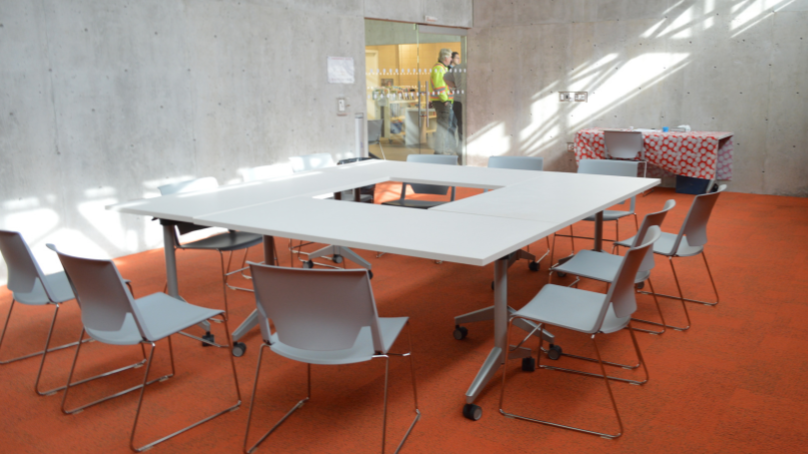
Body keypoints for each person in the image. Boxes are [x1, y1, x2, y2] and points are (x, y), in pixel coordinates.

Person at [429, 48, 455, 155]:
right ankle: (439, 152)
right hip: (441, 102)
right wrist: (445, 100)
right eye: (450, 57)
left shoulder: (442, 67)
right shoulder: (439, 68)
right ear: (445, 58)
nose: (451, 59)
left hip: (441, 101)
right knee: (442, 127)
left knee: (443, 126)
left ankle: (440, 150)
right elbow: (439, 87)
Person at [443, 51, 466, 153]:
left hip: (457, 101)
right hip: (466, 102)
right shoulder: (473, 67)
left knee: (460, 127)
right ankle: (463, 149)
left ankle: (460, 150)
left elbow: (445, 78)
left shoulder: (457, 67)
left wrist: (455, 86)